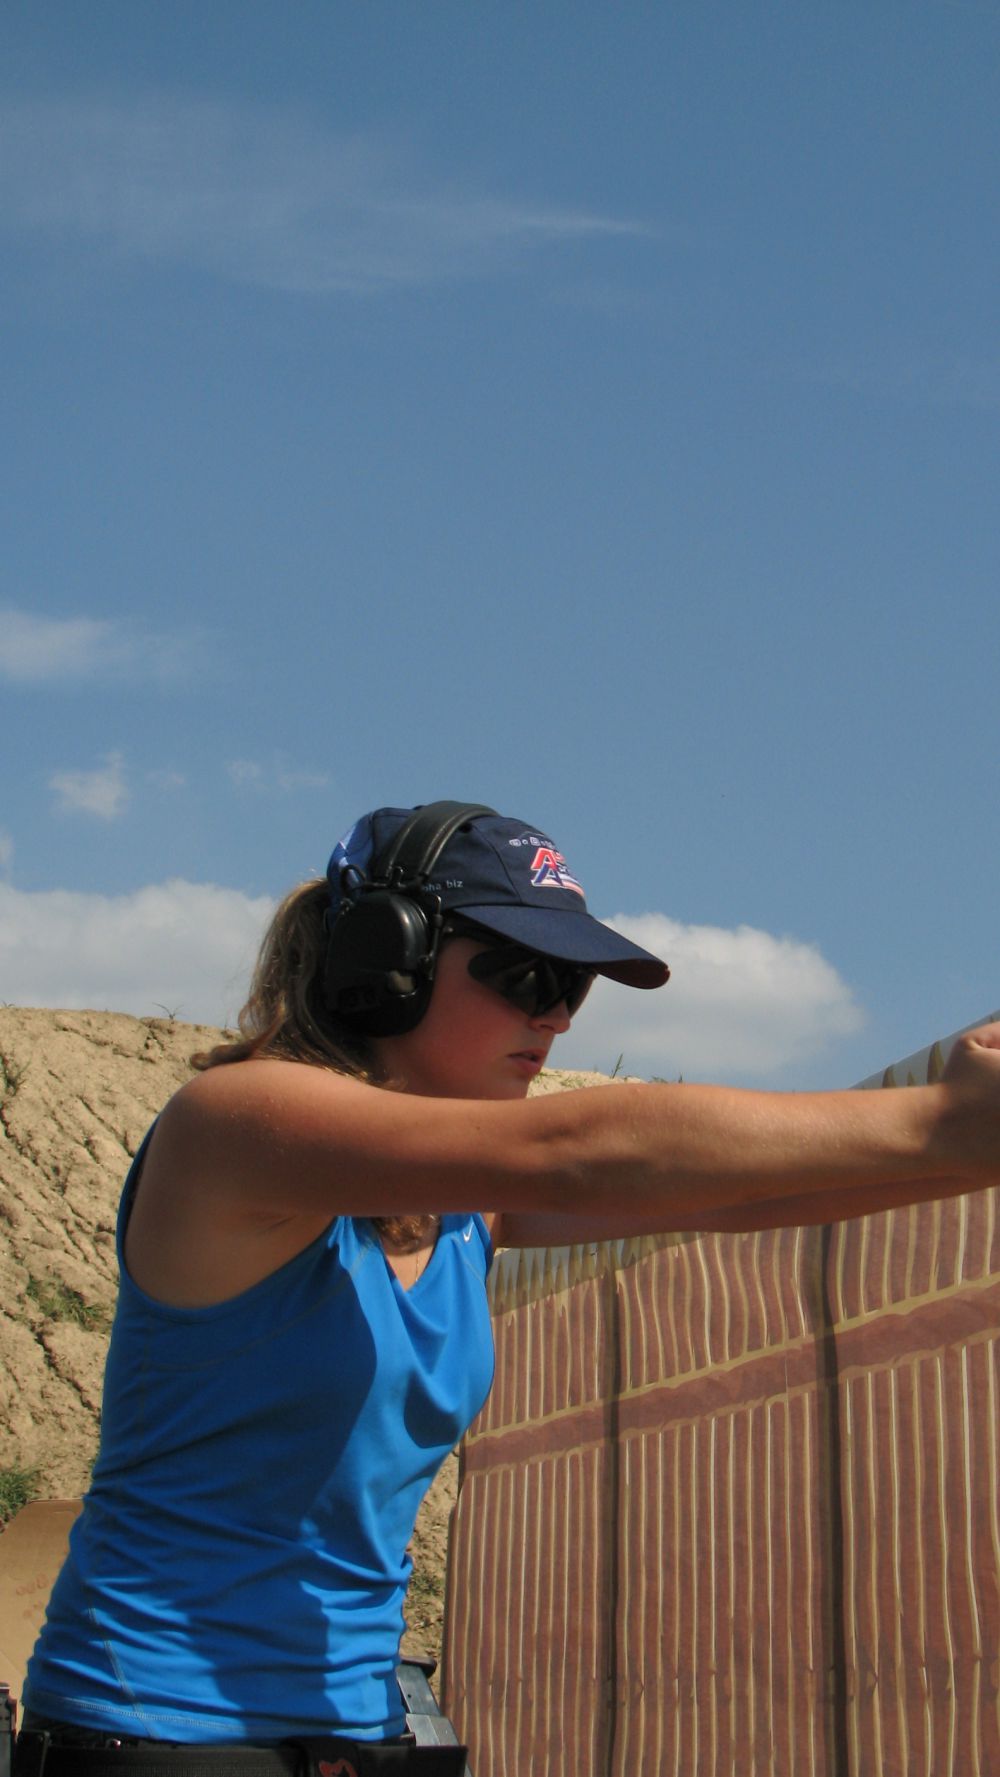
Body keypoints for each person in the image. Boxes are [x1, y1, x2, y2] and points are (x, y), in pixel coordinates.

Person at [18, 800, 1000, 1775]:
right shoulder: (231, 1125)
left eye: (573, 984)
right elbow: (582, 1151)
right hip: (160, 1731)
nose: (556, 1014)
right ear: (387, 959)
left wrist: (972, 1146)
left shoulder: (464, 1208)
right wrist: (939, 1121)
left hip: (357, 1731)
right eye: (523, 973)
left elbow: (747, 1191)